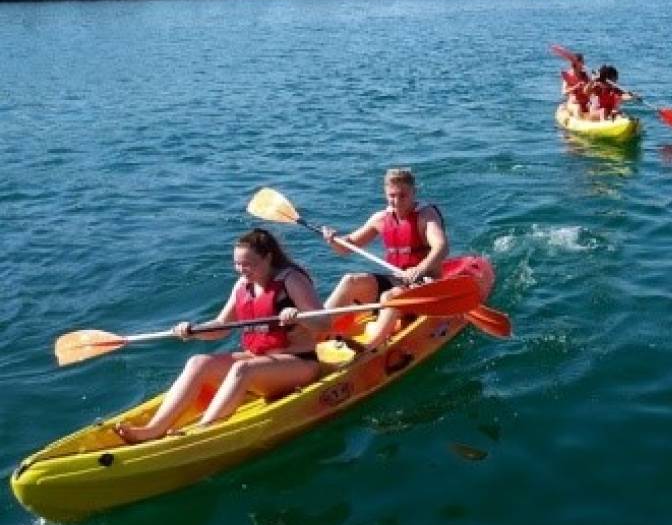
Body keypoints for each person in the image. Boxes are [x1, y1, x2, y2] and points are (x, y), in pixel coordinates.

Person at [115, 229, 326, 443]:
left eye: (248, 264)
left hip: (300, 364)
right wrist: (193, 331)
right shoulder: (243, 285)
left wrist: (299, 317)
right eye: (237, 264)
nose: (241, 270)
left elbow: (323, 323)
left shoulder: (292, 280)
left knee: (242, 368)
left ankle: (205, 431)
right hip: (260, 363)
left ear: (268, 257)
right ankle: (152, 430)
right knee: (198, 362)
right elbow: (221, 326)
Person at [321, 167, 448, 348]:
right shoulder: (380, 219)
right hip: (398, 281)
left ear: (414, 193)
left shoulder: (425, 216)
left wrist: (420, 268)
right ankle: (316, 327)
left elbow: (441, 247)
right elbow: (345, 248)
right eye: (392, 196)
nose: (396, 201)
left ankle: (369, 347)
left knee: (390, 297)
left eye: (403, 195)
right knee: (351, 280)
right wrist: (333, 240)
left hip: (425, 284)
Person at [561, 52, 591, 117]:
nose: (584, 64)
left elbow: (590, 90)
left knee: (593, 106)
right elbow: (564, 92)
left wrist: (593, 82)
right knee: (577, 108)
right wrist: (575, 87)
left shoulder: (585, 75)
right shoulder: (568, 75)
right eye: (582, 62)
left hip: (586, 102)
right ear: (576, 63)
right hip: (574, 103)